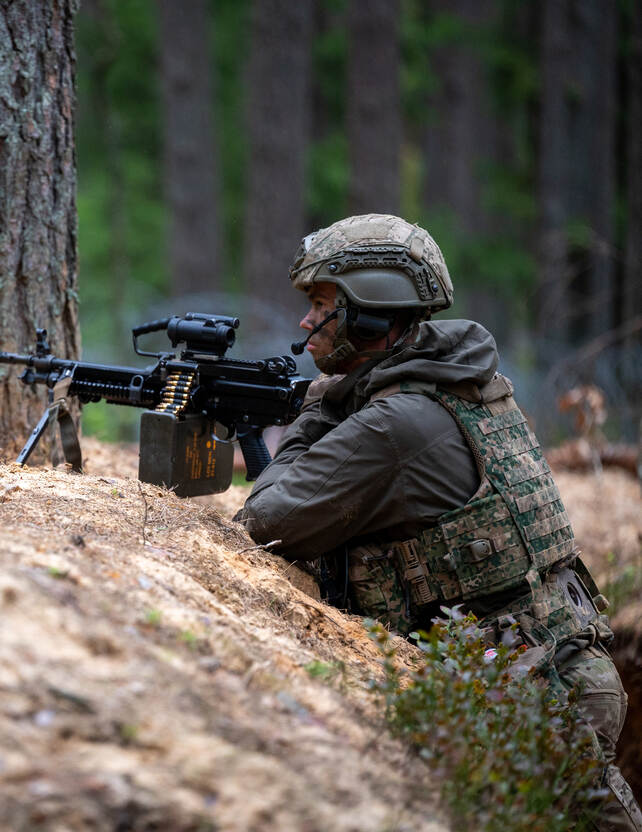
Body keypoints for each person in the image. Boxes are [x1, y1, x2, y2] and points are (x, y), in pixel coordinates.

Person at [234, 213, 641, 831]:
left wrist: (311, 419)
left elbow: (266, 522)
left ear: (368, 314)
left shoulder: (397, 423)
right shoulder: (461, 379)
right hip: (550, 668)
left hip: (528, 690)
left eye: (320, 305)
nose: (304, 323)